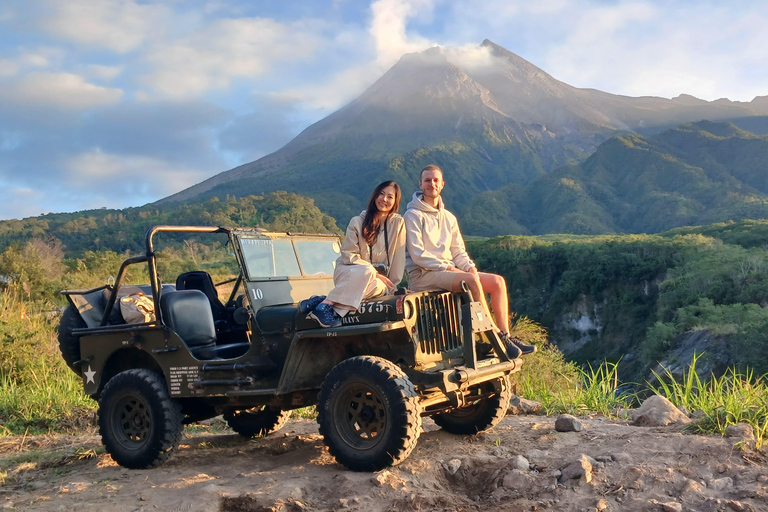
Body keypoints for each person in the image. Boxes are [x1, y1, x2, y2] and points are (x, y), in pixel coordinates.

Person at [404, 164, 536, 357]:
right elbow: (418, 255)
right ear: (420, 184)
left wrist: (469, 267)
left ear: (442, 185)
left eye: (435, 180)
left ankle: (506, 334)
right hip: (423, 275)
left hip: (447, 271)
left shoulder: (449, 218)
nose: (431, 184)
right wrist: (448, 267)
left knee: (497, 282)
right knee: (471, 281)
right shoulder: (412, 215)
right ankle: (495, 337)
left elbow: (458, 252)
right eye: (427, 180)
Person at [300, 181, 405, 328]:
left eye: (390, 196)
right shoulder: (357, 222)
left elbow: (398, 259)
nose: (384, 199)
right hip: (349, 273)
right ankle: (325, 304)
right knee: (367, 270)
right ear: (375, 196)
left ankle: (324, 302)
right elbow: (348, 255)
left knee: (379, 286)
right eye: (381, 194)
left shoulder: (398, 224)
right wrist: (373, 272)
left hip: (369, 282)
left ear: (395, 201)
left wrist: (393, 287)